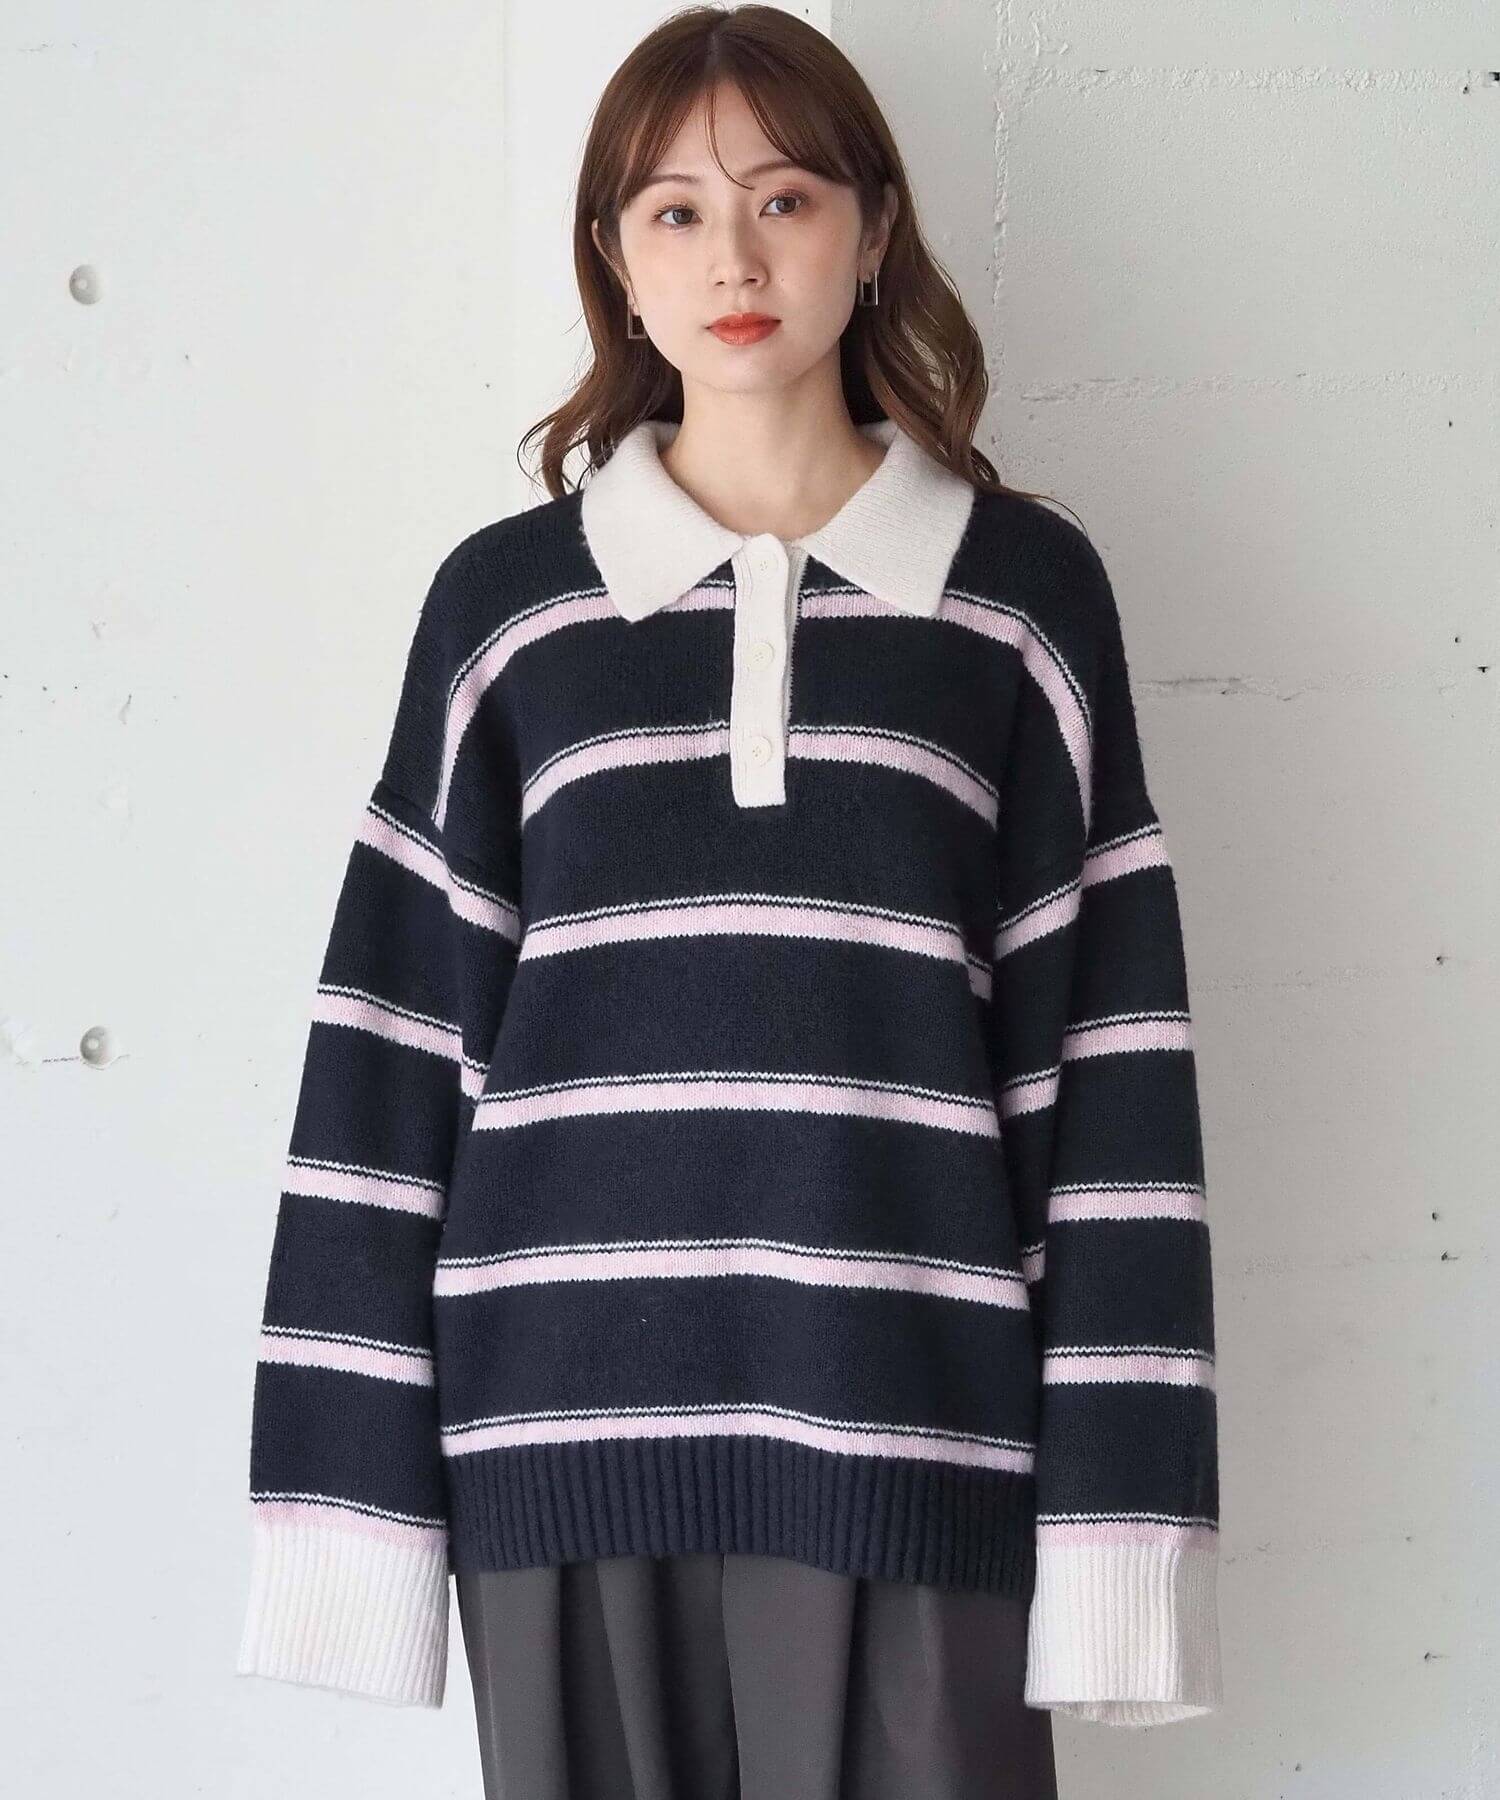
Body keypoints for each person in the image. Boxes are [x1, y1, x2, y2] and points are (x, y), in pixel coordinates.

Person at [234, 7, 1222, 1794]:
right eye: (677, 212)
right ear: (616, 260)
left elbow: (1114, 1093)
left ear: (872, 227)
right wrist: (345, 1518)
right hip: (555, 1447)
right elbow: (385, 1067)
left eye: (786, 199)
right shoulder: (509, 616)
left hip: (920, 1434)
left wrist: (1122, 1543)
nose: (737, 260)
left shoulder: (1018, 605)